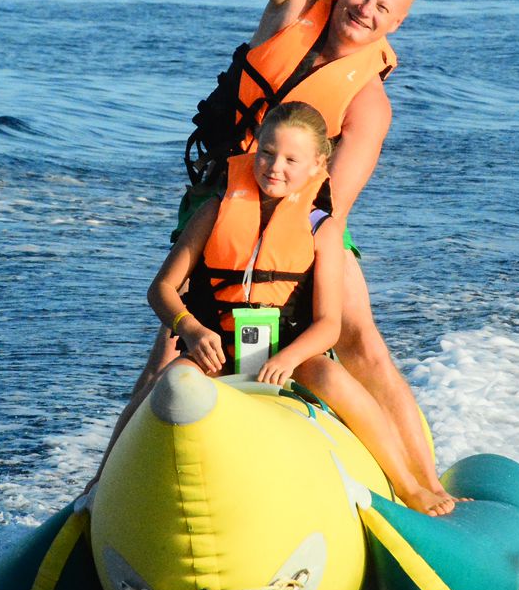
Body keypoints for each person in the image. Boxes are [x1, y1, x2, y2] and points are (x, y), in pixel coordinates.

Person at [124, 0, 453, 508]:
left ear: (397, 23)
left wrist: (313, 255)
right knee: (167, 347)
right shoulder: (293, 1)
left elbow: (338, 205)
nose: (364, 8)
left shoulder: (368, 103)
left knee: (359, 339)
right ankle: (104, 494)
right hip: (223, 195)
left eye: (383, 8)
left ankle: (423, 483)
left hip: (306, 215)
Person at [118, 103, 454, 515]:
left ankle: (408, 486)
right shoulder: (214, 210)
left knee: (329, 375)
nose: (274, 167)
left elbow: (329, 324)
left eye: (291, 159)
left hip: (293, 358)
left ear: (317, 165)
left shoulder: (322, 229)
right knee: (168, 383)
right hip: (218, 352)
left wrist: (290, 357)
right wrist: (190, 329)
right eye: (266, 153)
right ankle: (101, 485)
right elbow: (162, 290)